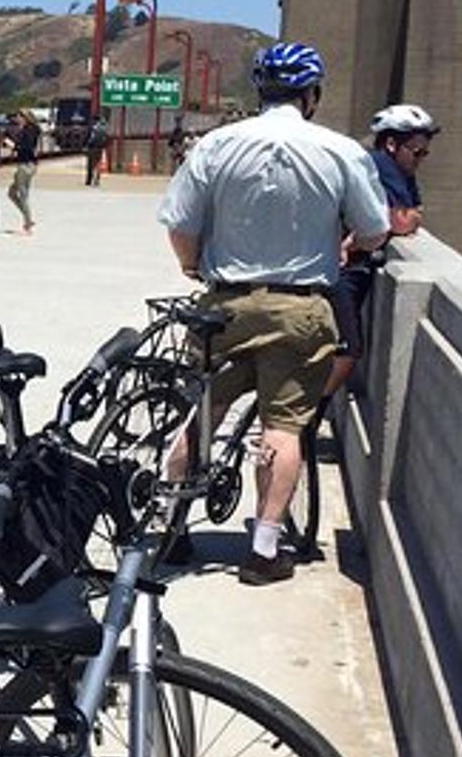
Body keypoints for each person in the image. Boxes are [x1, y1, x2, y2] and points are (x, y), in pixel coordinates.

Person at [157, 41, 389, 585]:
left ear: (259, 91)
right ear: (312, 95)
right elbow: (376, 230)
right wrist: (340, 243)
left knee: (204, 415)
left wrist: (194, 269)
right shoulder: (340, 151)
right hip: (298, 310)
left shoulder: (216, 145)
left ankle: (171, 530)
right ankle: (263, 551)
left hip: (225, 304)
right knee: (282, 427)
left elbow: (180, 225)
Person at [325, 104, 437, 398]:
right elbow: (401, 221)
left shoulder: (399, 170)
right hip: (342, 270)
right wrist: (404, 217)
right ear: (391, 144)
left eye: (425, 153)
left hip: (348, 267)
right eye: (417, 152)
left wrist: (405, 216)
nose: (422, 159)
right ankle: (304, 420)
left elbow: (410, 214)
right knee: (348, 349)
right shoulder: (381, 166)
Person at [6, 111, 39, 234]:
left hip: (25, 165)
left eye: (19, 116)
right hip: (29, 164)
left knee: (22, 195)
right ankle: (28, 218)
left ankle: (28, 224)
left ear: (25, 118)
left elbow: (27, 148)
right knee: (12, 192)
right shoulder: (32, 129)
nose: (17, 119)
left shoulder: (28, 131)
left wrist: (13, 146)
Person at [84, 112, 111, 186]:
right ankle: (97, 179)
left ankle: (89, 180)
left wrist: (85, 145)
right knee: (98, 164)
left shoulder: (91, 127)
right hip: (100, 148)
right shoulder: (103, 128)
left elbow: (87, 137)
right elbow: (107, 138)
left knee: (90, 164)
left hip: (92, 148)